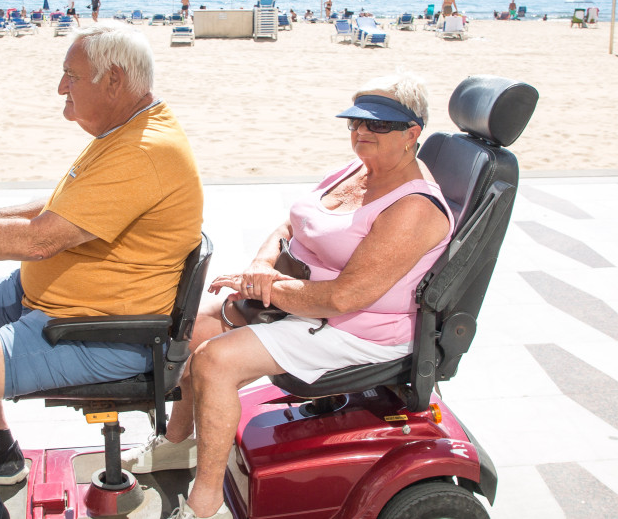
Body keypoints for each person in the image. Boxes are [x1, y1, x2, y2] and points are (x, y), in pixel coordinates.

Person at [0, 21, 203, 519]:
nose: (61, 87)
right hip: (64, 303)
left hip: (97, 332)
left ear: (114, 81)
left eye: (70, 75)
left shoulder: (143, 151)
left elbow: (42, 240)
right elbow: (66, 207)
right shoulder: (127, 129)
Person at [120, 72, 452, 519]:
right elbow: (292, 225)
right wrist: (260, 264)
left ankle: (205, 504)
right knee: (191, 329)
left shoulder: (413, 208)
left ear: (412, 133)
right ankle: (176, 446)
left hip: (354, 327)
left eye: (377, 125)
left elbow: (342, 298)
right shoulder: (358, 168)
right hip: (303, 299)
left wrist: (267, 289)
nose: (361, 133)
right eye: (355, 123)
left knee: (215, 361)